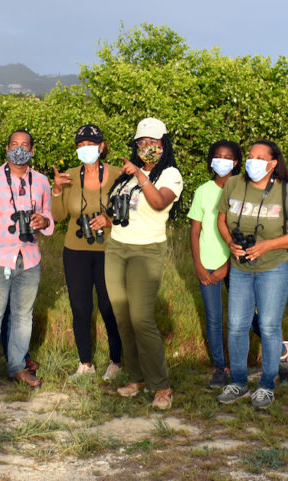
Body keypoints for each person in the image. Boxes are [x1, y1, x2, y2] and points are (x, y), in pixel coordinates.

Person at [214, 140, 288, 410]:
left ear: (272, 163)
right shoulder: (233, 184)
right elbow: (221, 219)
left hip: (273, 267)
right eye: (250, 156)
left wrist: (267, 244)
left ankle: (267, 385)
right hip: (241, 267)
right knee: (236, 325)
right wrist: (230, 242)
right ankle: (239, 382)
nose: (252, 161)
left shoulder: (287, 190)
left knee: (268, 326)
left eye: (260, 157)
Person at [106, 118, 183, 410]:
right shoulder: (126, 178)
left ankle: (161, 386)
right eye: (142, 143)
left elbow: (159, 202)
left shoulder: (170, 174)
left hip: (146, 251)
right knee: (122, 317)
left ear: (164, 145)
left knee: (141, 319)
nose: (147, 147)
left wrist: (141, 174)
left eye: (153, 143)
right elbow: (121, 211)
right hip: (117, 248)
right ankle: (136, 378)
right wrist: (107, 218)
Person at [0, 130, 54, 390]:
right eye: (15, 144)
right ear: (7, 147)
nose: (19, 149)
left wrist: (44, 221)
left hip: (28, 258)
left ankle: (17, 367)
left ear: (31, 150)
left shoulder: (41, 181)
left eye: (25, 145)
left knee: (22, 315)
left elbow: (49, 219)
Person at [50, 124, 123, 380]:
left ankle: (116, 361)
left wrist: (109, 221)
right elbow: (58, 216)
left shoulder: (117, 174)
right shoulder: (68, 176)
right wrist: (56, 190)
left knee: (108, 306)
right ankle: (85, 364)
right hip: (76, 251)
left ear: (102, 146)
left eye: (90, 145)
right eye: (80, 145)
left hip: (109, 250)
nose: (85, 149)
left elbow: (129, 211)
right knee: (80, 307)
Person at [188, 140, 241, 388]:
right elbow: (195, 230)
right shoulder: (202, 191)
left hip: (237, 262)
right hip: (207, 263)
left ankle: (272, 350)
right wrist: (198, 265)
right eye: (217, 156)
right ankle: (220, 367)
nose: (222, 161)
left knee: (241, 316)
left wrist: (227, 266)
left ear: (236, 162)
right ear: (211, 161)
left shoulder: (244, 191)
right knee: (213, 317)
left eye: (227, 157)